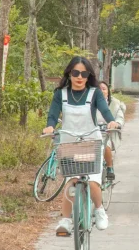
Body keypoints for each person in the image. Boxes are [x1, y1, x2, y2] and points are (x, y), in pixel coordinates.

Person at [42, 57, 121, 237]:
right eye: (75, 73)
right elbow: (53, 115)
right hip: (69, 143)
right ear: (69, 74)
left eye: (84, 74)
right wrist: (49, 126)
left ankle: (99, 210)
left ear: (88, 76)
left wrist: (112, 122)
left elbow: (105, 110)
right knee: (71, 182)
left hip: (90, 143)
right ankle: (66, 220)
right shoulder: (59, 94)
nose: (79, 77)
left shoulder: (95, 93)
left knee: (92, 181)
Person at [96, 81, 126, 181]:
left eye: (104, 89)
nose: (101, 91)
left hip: (107, 132)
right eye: (99, 89)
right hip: (93, 132)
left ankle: (109, 167)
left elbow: (120, 117)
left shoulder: (115, 103)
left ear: (108, 92)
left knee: (105, 145)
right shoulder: (90, 102)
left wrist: (116, 123)